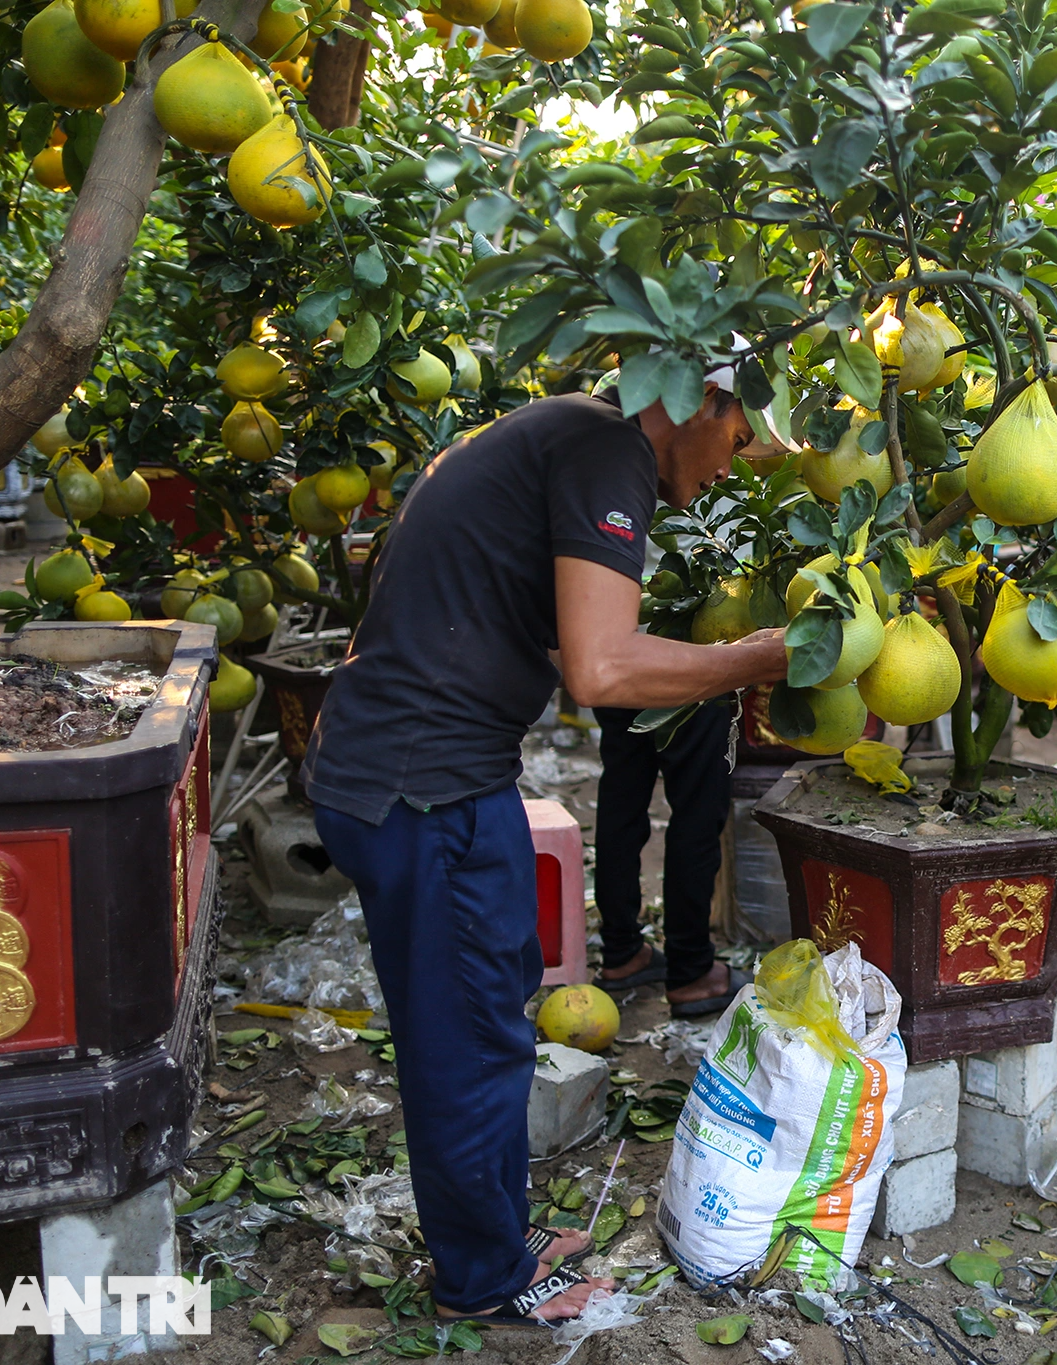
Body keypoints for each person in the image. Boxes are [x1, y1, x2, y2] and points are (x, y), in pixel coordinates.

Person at [302, 374, 789, 1323]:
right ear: (699, 399)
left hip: (432, 777)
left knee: (493, 1007)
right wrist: (754, 659)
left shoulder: (568, 433)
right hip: (420, 788)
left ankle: (495, 1229)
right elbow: (602, 668)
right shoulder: (607, 447)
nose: (733, 464)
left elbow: (572, 647)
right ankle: (482, 1279)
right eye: (738, 437)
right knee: (468, 1037)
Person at [590, 700, 743, 1016]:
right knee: (698, 805)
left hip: (620, 662)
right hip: (687, 667)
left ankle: (621, 951)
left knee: (623, 790)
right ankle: (692, 970)